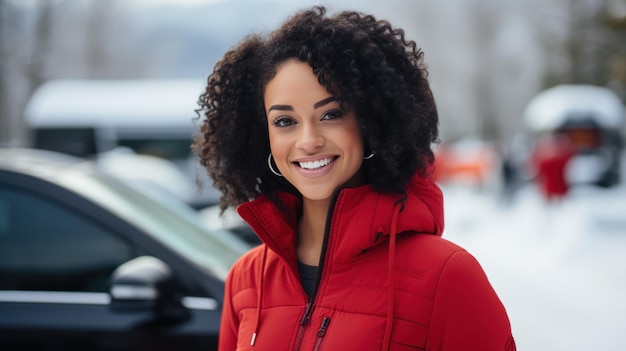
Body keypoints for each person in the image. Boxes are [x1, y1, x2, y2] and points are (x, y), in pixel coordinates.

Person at [193, 6, 515, 350]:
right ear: (263, 135)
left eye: (331, 114)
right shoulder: (246, 281)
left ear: (371, 122)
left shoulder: (447, 277)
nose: (308, 141)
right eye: (285, 121)